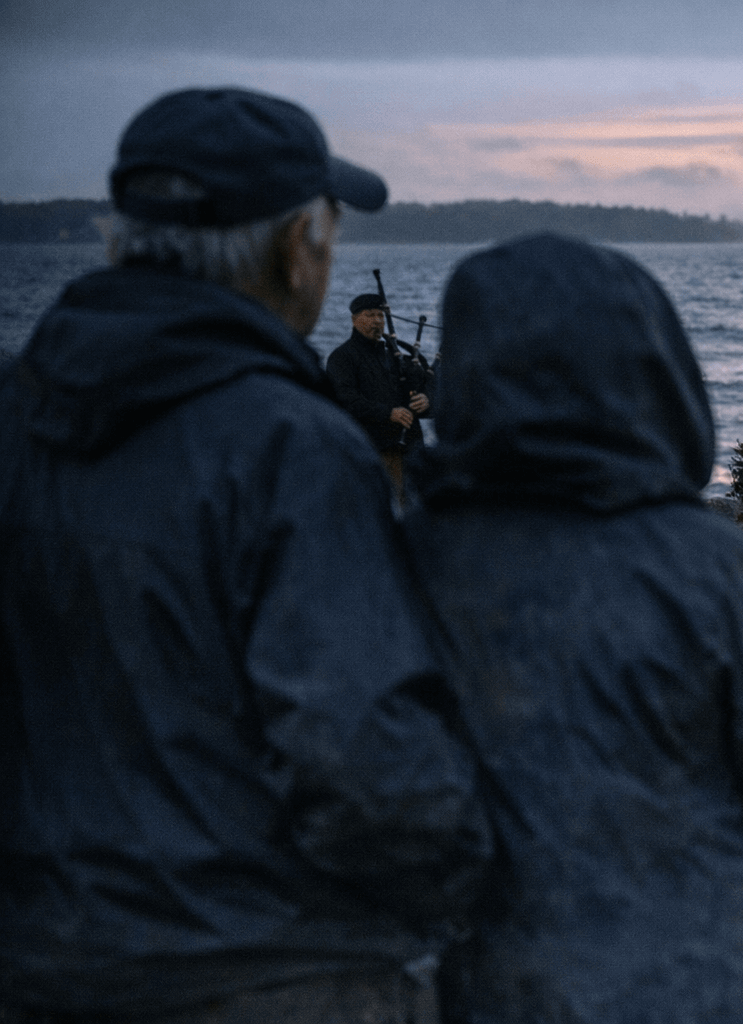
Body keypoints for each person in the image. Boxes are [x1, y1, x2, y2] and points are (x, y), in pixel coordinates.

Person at [0, 88, 488, 1022]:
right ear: (295, 245)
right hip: (271, 965)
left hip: (37, 953)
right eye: (329, 229)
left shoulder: (16, 412)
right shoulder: (287, 446)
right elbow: (366, 763)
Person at [404, 233, 743, 1024]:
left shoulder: (398, 562)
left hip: (497, 987)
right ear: (653, 367)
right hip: (722, 982)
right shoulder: (710, 564)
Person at [327, 291, 435, 495]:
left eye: (380, 316)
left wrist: (426, 400)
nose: (376, 321)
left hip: (412, 450)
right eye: (369, 315)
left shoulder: (398, 358)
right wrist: (388, 413)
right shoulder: (341, 358)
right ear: (354, 319)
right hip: (373, 451)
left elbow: (428, 385)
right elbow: (344, 400)